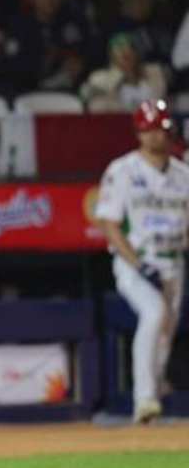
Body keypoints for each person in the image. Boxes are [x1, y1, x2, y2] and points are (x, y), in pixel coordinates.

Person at [94, 99, 189, 424]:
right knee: (154, 313)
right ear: (138, 132)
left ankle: (154, 387)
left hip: (172, 262)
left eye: (159, 128)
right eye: (148, 129)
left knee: (166, 330)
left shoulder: (183, 174)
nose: (155, 135)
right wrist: (137, 264)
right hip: (135, 260)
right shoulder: (122, 170)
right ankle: (144, 398)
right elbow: (109, 223)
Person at [80, 33, 168, 113]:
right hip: (120, 123)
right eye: (120, 48)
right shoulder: (100, 78)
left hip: (153, 121)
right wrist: (117, 75)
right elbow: (88, 98)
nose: (125, 52)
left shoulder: (152, 72)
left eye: (129, 48)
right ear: (112, 56)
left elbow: (161, 99)